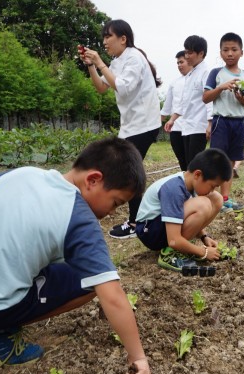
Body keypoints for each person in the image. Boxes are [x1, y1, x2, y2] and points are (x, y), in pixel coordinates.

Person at [0, 138, 153, 374]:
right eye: (115, 203)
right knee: (88, 283)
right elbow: (112, 297)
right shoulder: (80, 219)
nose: (112, 213)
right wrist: (139, 358)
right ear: (93, 179)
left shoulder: (26, 173)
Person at [80, 19, 161, 240]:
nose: (105, 41)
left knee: (130, 171)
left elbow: (123, 89)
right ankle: (135, 219)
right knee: (128, 169)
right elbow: (101, 88)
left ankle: (135, 223)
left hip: (144, 123)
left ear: (123, 38)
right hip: (130, 124)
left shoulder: (134, 58)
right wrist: (91, 66)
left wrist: (100, 63)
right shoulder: (118, 61)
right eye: (104, 37)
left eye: (109, 36)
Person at [135, 149, 232, 274]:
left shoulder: (189, 181)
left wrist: (204, 237)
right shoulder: (174, 189)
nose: (212, 189)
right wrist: (203, 252)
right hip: (150, 231)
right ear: (197, 175)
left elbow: (184, 211)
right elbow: (173, 239)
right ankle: (170, 254)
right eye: (212, 185)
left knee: (217, 198)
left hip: (162, 225)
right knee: (203, 204)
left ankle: (181, 247)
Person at [203, 32, 244, 213]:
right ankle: (211, 198)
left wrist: (240, 97)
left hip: (238, 123)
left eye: (234, 49)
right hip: (221, 121)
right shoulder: (216, 74)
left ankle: (225, 199)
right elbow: (205, 97)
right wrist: (221, 87)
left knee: (231, 163)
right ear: (220, 52)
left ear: (241, 52)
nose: (230, 53)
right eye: (226, 50)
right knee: (218, 160)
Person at [164, 35, 213, 169]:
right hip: (187, 127)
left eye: (190, 52)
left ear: (201, 53)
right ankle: (188, 190)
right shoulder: (191, 75)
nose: (186, 56)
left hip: (198, 126)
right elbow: (185, 102)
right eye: (185, 52)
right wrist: (172, 119)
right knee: (186, 164)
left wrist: (210, 123)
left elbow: (209, 99)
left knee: (194, 165)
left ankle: (198, 190)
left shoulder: (205, 72)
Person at [161, 50, 193, 171]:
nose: (179, 65)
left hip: (192, 128)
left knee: (193, 161)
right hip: (176, 128)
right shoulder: (174, 83)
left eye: (182, 62)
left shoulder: (197, 80)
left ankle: (195, 187)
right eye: (178, 62)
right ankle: (186, 186)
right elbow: (166, 107)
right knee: (182, 160)